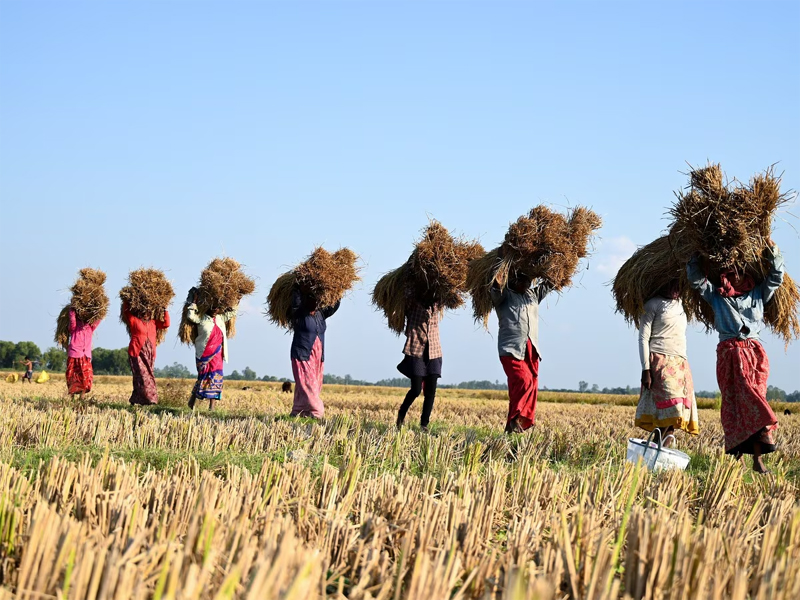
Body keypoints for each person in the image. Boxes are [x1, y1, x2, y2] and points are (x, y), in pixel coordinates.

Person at [687, 241, 785, 473]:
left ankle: (758, 459)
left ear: (747, 275)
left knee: (756, 401)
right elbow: (696, 281)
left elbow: (776, 277)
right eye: (730, 274)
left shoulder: (758, 293)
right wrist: (694, 257)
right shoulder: (717, 296)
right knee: (733, 404)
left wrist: (773, 253)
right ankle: (738, 457)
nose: (735, 277)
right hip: (729, 354)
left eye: (739, 273)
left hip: (754, 355)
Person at [635, 279, 699, 446]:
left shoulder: (681, 304)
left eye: (678, 284)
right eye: (671, 283)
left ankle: (656, 453)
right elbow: (643, 338)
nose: (675, 288)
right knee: (671, 409)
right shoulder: (652, 305)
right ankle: (658, 451)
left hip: (680, 363)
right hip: (660, 361)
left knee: (672, 417)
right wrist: (646, 369)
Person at [490, 267, 553, 433]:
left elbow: (550, 283)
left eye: (528, 281)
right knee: (524, 381)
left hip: (531, 349)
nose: (526, 284)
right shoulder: (504, 296)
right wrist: (498, 279)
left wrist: (557, 268)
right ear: (513, 280)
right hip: (511, 349)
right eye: (522, 280)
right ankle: (516, 419)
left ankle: (510, 428)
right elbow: (495, 290)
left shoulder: (533, 295)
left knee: (527, 386)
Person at [289, 285, 339, 418]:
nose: (315, 302)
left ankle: (298, 411)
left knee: (313, 386)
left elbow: (334, 306)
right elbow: (296, 301)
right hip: (302, 354)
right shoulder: (300, 314)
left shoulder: (320, 314)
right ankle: (317, 413)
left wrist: (338, 291)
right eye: (312, 299)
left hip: (318, 355)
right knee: (308, 385)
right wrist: (298, 286)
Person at [184, 288, 237, 410]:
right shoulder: (201, 318)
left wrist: (236, 298)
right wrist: (194, 302)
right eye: (212, 308)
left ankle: (211, 406)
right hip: (203, 353)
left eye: (217, 308)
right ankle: (192, 400)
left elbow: (233, 312)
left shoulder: (220, 318)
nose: (214, 310)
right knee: (202, 377)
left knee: (215, 376)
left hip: (217, 354)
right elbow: (190, 316)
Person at [395, 297, 442, 432]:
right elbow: (404, 298)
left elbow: (449, 297)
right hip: (417, 350)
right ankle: (401, 414)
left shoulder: (437, 302)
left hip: (434, 351)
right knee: (416, 390)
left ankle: (424, 424)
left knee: (430, 391)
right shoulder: (413, 301)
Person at [122, 301, 170, 406]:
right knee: (142, 375)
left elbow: (166, 324)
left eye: (147, 311)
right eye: (143, 311)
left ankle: (136, 399)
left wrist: (165, 310)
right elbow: (126, 312)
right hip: (137, 352)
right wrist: (127, 301)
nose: (145, 314)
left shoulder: (154, 322)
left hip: (150, 353)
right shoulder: (134, 320)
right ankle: (150, 399)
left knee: (147, 375)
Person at [66, 307, 100, 401]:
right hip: (74, 354)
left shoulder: (90, 327)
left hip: (86, 356)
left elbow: (98, 319)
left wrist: (100, 310)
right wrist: (73, 309)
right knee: (72, 376)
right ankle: (71, 398)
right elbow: (72, 319)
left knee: (86, 377)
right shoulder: (74, 327)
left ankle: (82, 397)